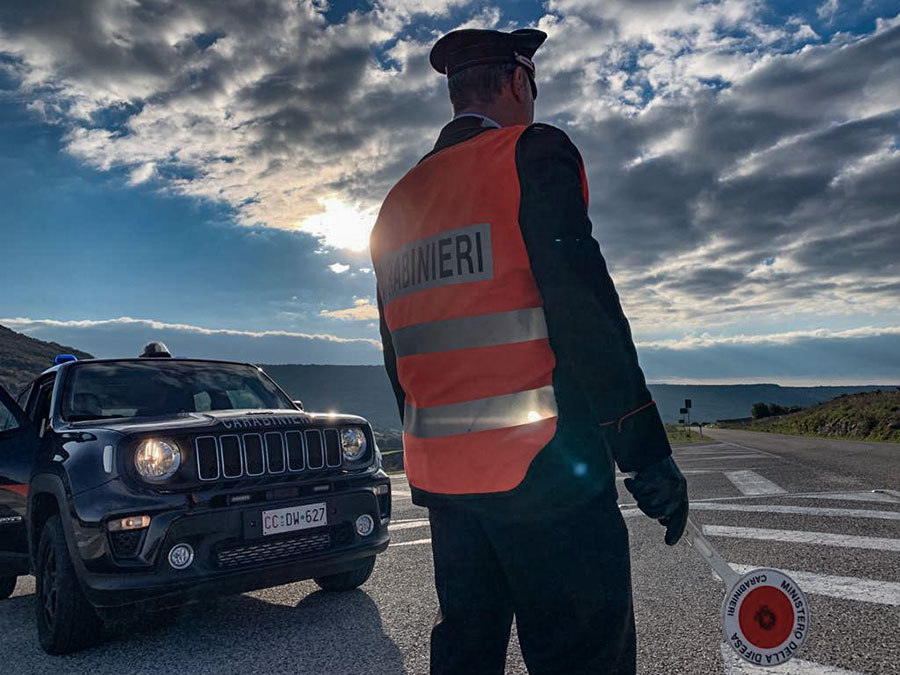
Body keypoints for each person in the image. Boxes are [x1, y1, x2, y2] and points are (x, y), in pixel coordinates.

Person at [370, 27, 689, 675]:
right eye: (532, 88)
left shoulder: (397, 203)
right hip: (547, 475)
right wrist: (645, 450)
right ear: (518, 82)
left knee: (465, 656)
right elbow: (582, 308)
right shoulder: (530, 154)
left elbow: (397, 354)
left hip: (448, 488)